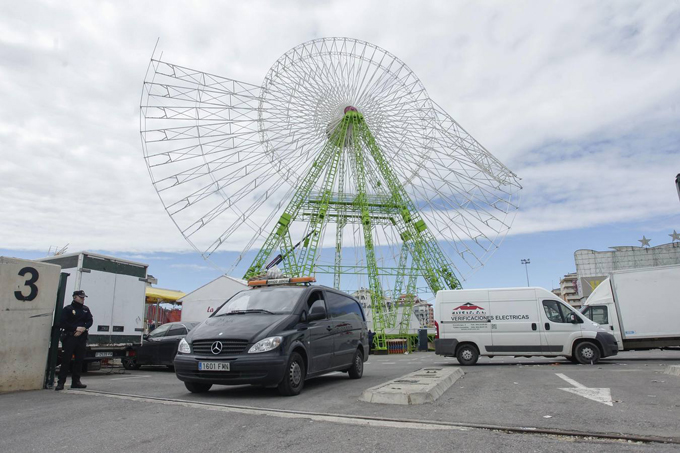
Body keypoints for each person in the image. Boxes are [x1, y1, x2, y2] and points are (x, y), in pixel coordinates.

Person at [56, 290, 93, 391]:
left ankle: (76, 381)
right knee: (66, 360)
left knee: (79, 360)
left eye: (83, 297)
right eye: (81, 297)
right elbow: (63, 323)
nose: (83, 299)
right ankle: (61, 382)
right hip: (70, 337)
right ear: (74, 297)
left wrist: (83, 328)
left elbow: (90, 321)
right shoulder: (68, 309)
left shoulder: (85, 309)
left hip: (81, 337)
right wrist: (75, 328)